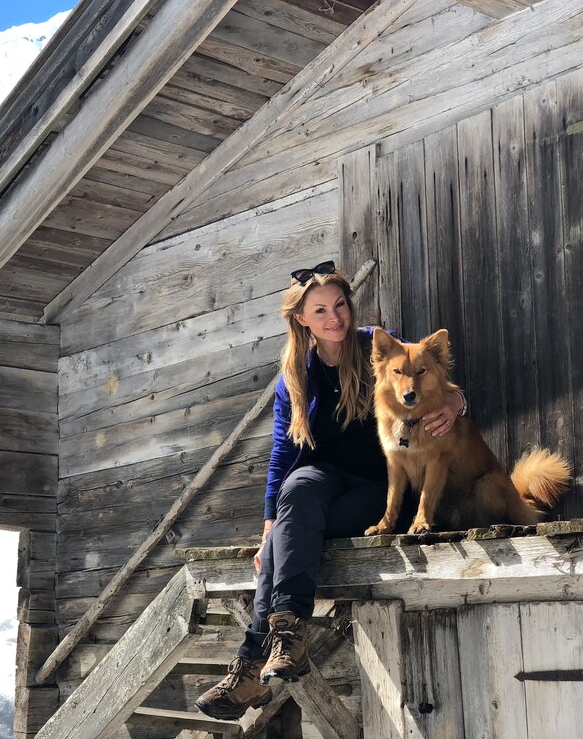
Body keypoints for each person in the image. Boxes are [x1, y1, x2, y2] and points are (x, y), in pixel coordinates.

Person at [195, 261, 465, 720]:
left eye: (339, 305)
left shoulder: (376, 346)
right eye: (320, 311)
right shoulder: (296, 375)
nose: (334, 317)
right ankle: (286, 639)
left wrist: (459, 401)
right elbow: (283, 453)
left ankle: (250, 667)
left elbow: (426, 373)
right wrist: (268, 523)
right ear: (302, 319)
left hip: (381, 484)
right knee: (295, 494)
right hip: (322, 481)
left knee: (287, 536)